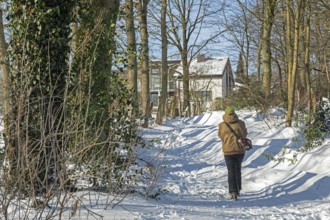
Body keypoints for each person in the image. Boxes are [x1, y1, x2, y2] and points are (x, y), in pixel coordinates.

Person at [218, 107, 248, 201]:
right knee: (238, 169)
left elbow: (220, 136)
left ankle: (233, 191)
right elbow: (245, 134)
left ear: (225, 113)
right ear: (234, 113)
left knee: (231, 171)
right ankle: (238, 189)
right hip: (240, 150)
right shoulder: (241, 123)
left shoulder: (222, 125)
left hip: (228, 151)